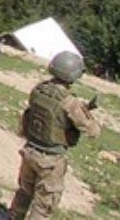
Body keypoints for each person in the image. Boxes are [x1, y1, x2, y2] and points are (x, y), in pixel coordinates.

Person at [8, 51, 102, 220]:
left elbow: (51, 114)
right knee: (44, 204)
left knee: (24, 192)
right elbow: (93, 131)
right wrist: (87, 112)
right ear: (73, 74)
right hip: (50, 159)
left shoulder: (39, 90)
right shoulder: (70, 102)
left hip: (30, 150)